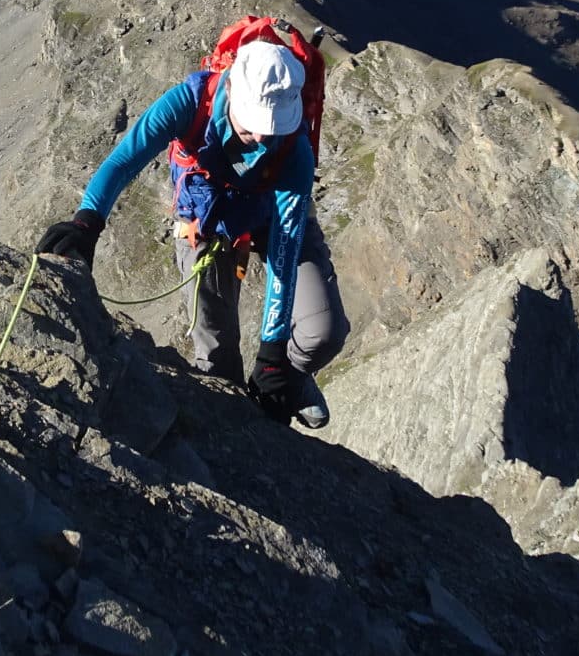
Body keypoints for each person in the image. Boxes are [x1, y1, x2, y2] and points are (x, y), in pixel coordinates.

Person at [37, 34, 349, 428]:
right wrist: (87, 222)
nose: (263, 139)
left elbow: (285, 248)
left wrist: (272, 355)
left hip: (273, 216)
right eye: (254, 127)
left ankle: (294, 377)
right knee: (218, 358)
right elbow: (124, 160)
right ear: (232, 91)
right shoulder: (190, 101)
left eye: (273, 129)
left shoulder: (294, 149)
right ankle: (238, 434)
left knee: (324, 330)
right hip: (206, 223)